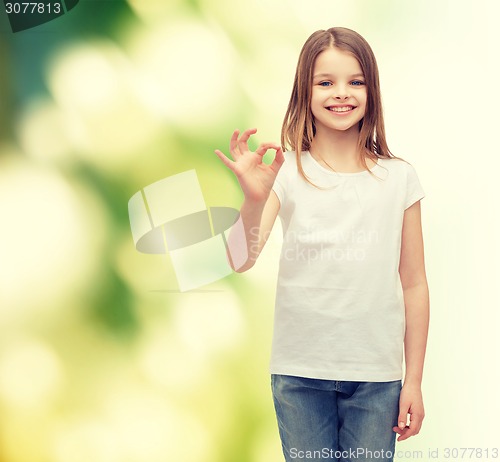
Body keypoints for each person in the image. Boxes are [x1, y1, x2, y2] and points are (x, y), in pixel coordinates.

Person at [215, 26, 429, 462]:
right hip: (300, 373)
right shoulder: (286, 172)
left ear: (371, 90)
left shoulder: (399, 178)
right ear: (305, 92)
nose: (341, 93)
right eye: (325, 82)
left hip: (377, 377)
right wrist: (253, 200)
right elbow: (240, 259)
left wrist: (414, 381)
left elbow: (414, 284)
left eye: (355, 81)